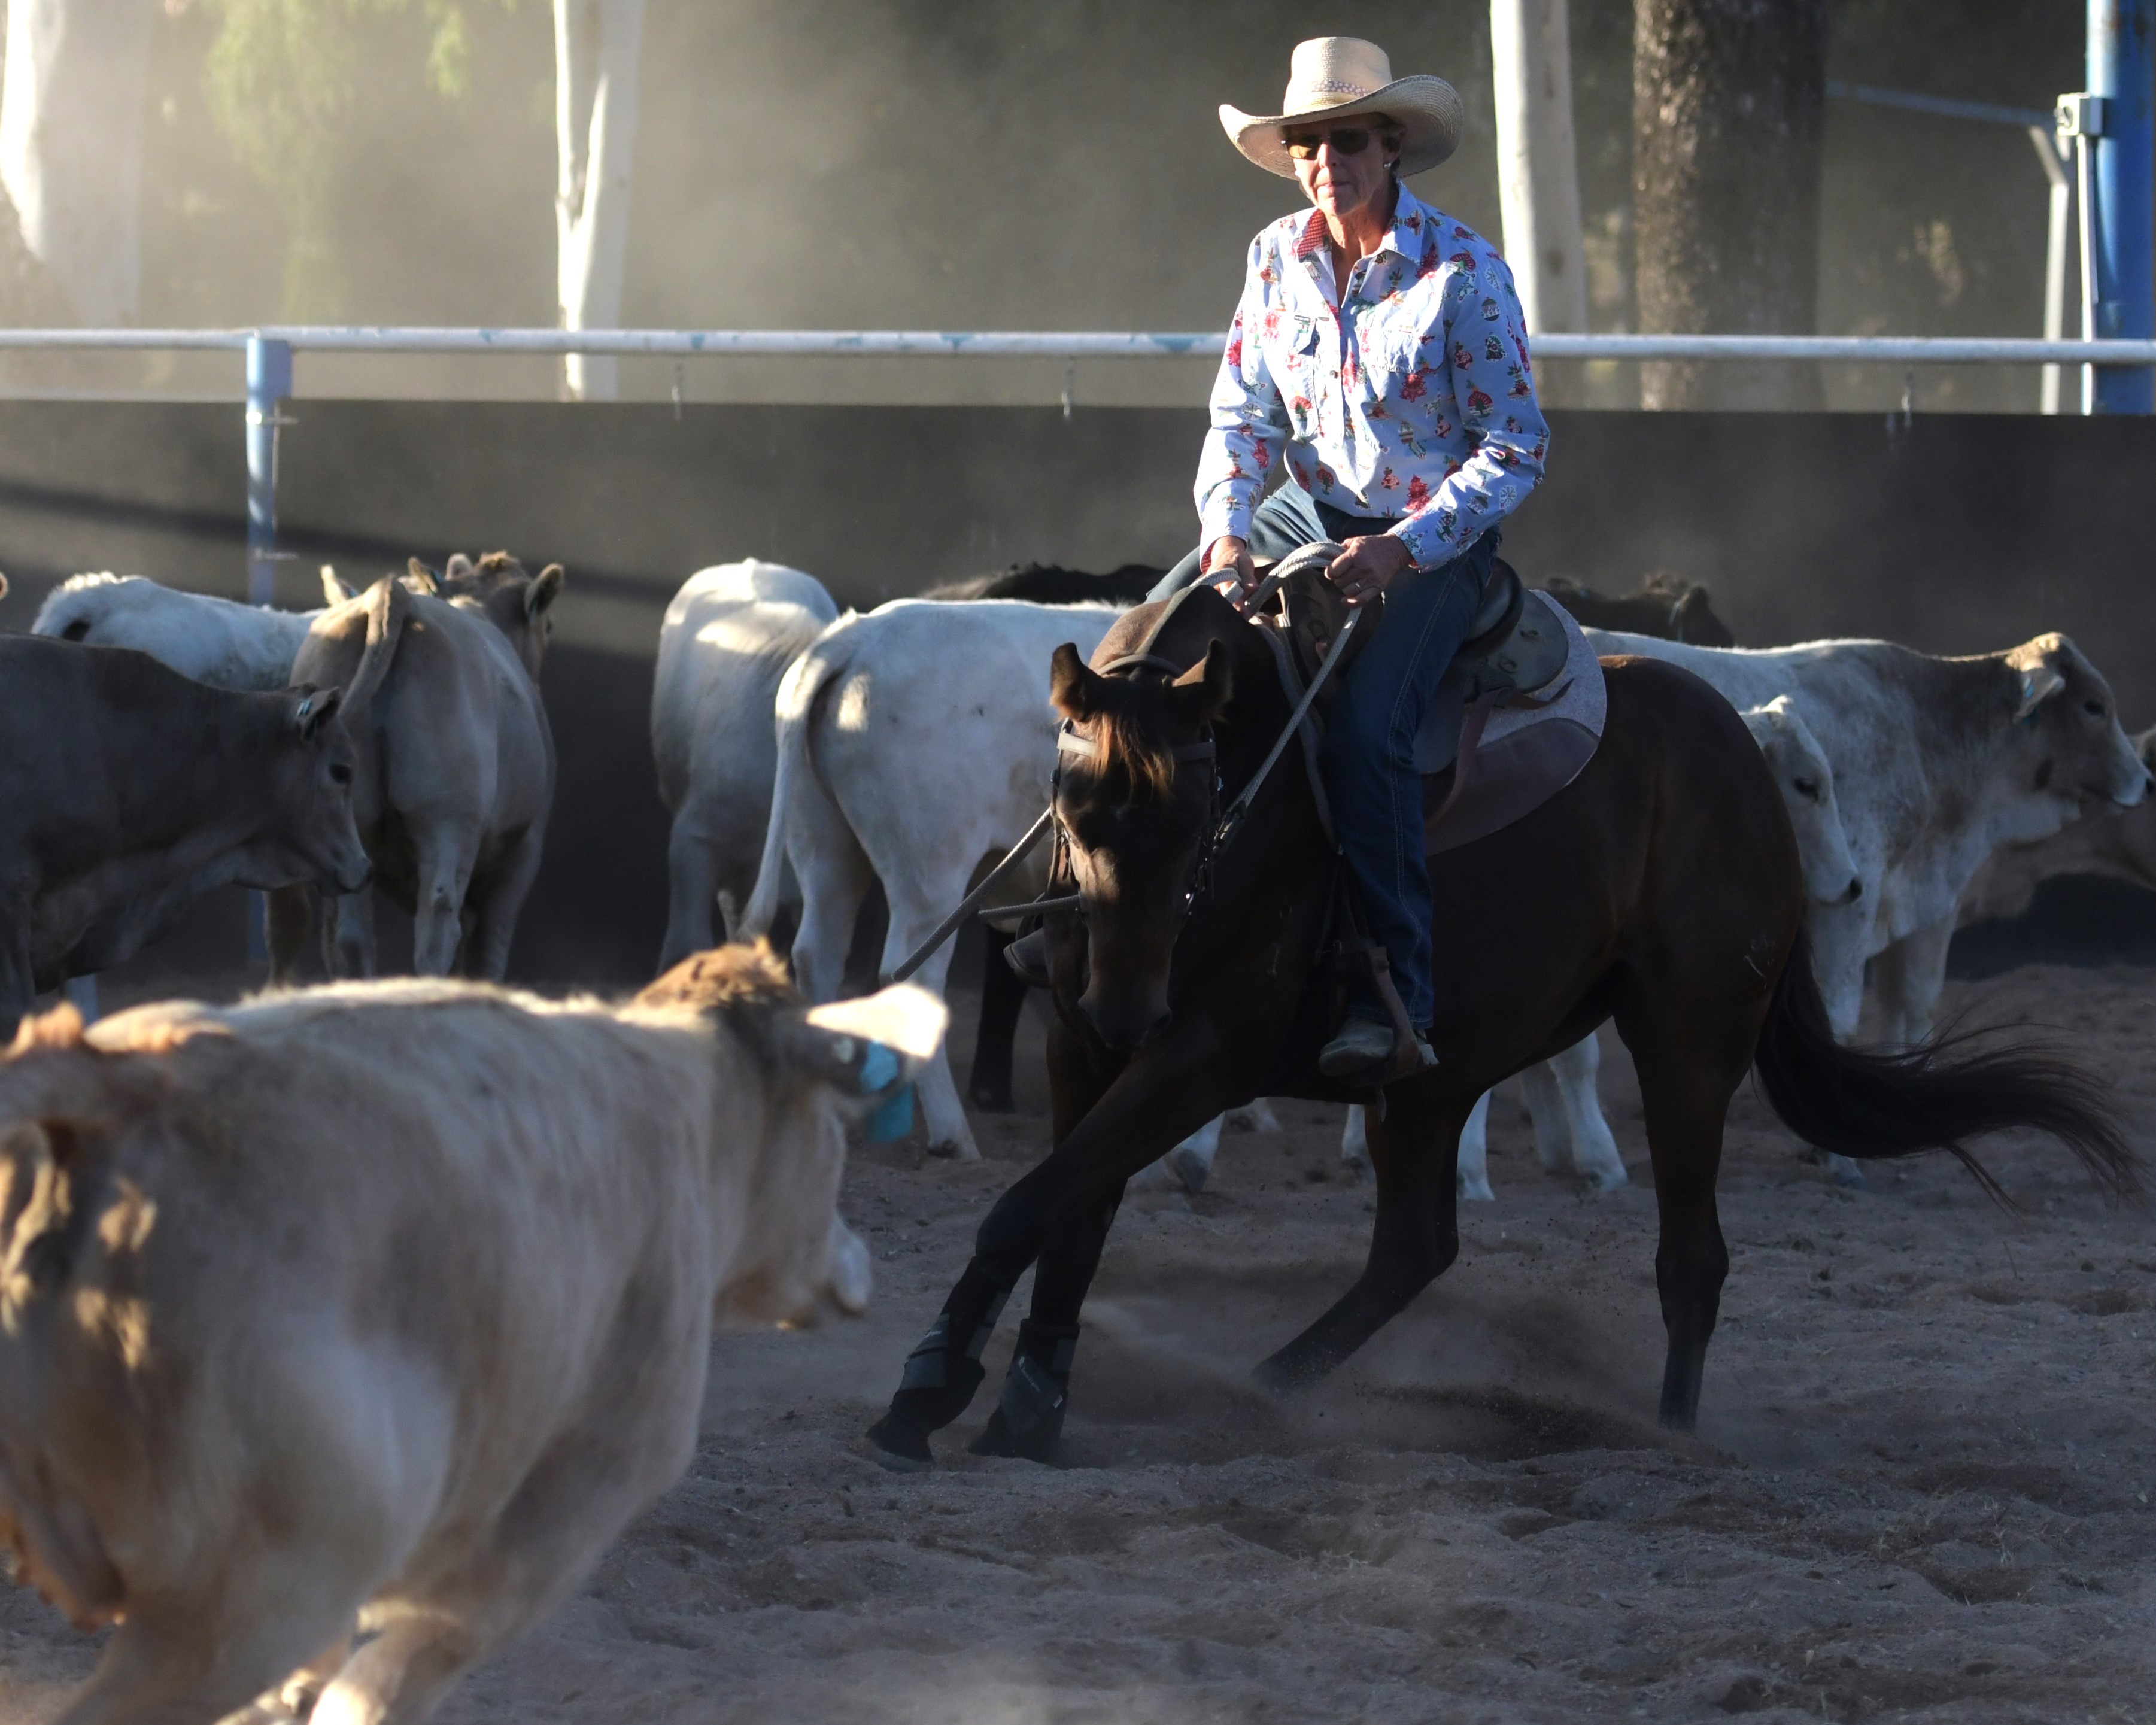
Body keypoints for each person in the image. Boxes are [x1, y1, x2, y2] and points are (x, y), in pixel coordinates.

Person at [1165, 35, 1550, 1077]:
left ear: (1390, 148)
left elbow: (1514, 447)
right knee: (1150, 659)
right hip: (1305, 510)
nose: (1324, 160)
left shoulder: (1463, 272)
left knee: (1367, 735)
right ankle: (1115, 924)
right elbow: (1241, 419)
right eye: (1307, 143)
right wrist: (1226, 529)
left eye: (1345, 140)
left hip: (1430, 536)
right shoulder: (1272, 257)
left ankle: (1393, 990)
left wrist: (1402, 547)